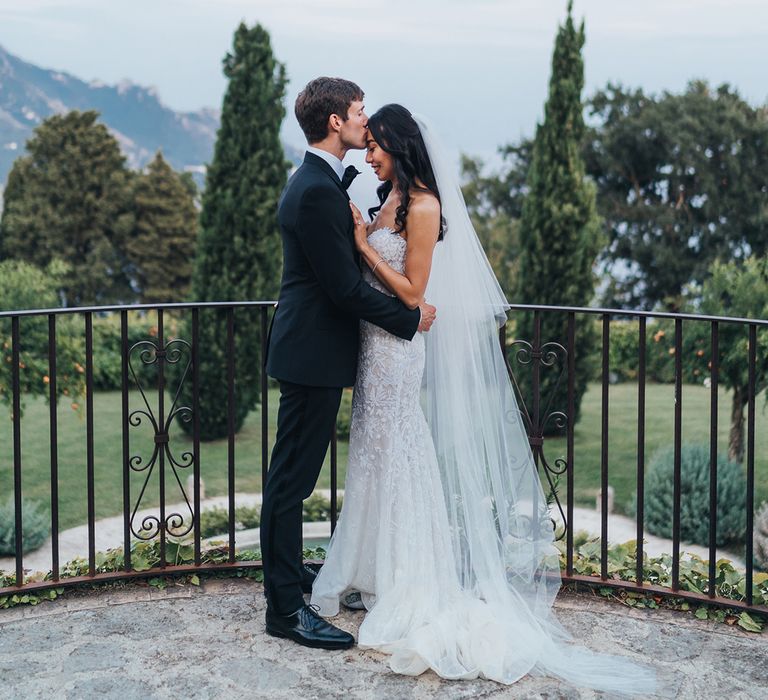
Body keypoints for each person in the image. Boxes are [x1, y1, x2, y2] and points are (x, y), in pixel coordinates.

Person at [311, 104, 656, 693]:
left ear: (398, 145)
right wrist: (362, 234)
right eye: (365, 146)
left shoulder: (424, 206)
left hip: (398, 352)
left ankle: (409, 574)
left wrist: (363, 247)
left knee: (400, 452)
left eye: (375, 147)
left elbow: (415, 291)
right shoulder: (387, 198)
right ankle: (369, 567)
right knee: (372, 453)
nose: (368, 157)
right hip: (374, 348)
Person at [261, 80, 436, 650]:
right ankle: (284, 609)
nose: (366, 124)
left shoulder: (325, 184)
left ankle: (292, 580)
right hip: (311, 353)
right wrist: (409, 321)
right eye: (360, 112)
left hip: (319, 353)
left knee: (296, 478)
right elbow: (339, 288)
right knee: (289, 483)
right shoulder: (314, 189)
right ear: (336, 121)